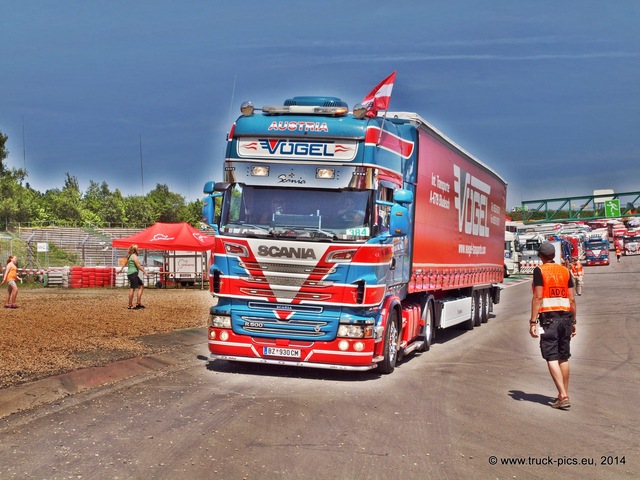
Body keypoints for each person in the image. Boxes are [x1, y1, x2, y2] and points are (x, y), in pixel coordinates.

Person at [529, 241, 577, 409]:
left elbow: (538, 297)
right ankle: (563, 393)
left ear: (541, 256)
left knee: (551, 357)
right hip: (566, 318)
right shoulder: (565, 271)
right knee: (564, 357)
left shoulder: (539, 270)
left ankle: (563, 396)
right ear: (554, 256)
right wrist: (574, 321)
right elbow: (572, 299)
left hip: (549, 319)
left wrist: (533, 321)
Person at [119, 244, 148, 310]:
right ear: (135, 250)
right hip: (133, 274)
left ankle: (138, 303)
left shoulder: (129, 256)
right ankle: (131, 305)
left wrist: (121, 269)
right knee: (133, 288)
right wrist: (145, 272)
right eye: (138, 249)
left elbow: (125, 263)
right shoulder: (134, 256)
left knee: (141, 286)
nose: (138, 250)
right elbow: (138, 265)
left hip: (130, 274)